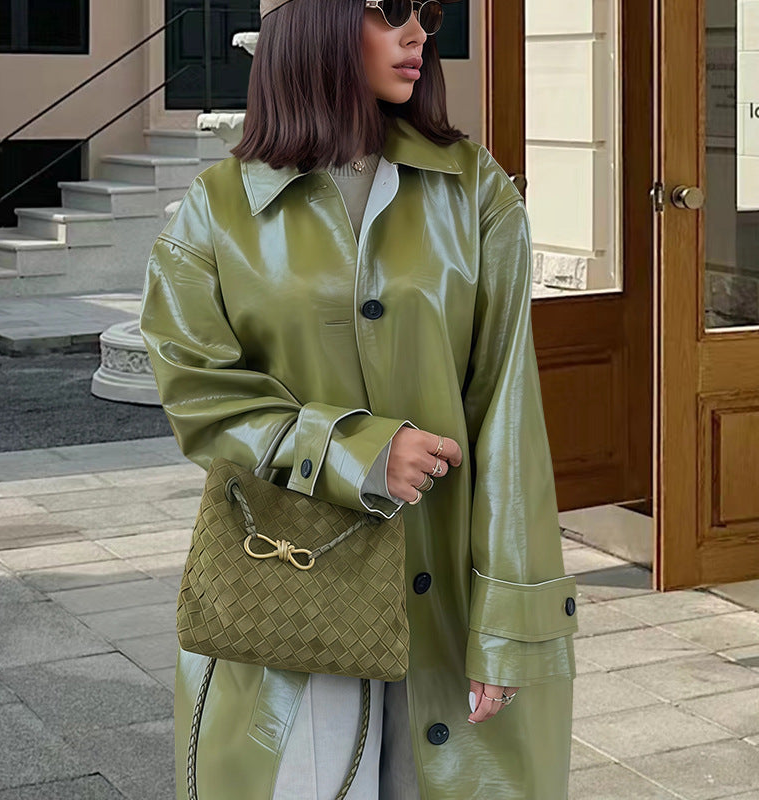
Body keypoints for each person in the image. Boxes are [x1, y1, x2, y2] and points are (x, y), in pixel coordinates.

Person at [140, 0, 578, 797]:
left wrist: (512, 617)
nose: (418, 35)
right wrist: (354, 453)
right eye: (388, 11)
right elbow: (197, 389)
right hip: (290, 586)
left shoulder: (474, 190)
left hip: (444, 588)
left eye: (426, 13)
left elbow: (509, 410)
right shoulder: (218, 206)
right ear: (316, 21)